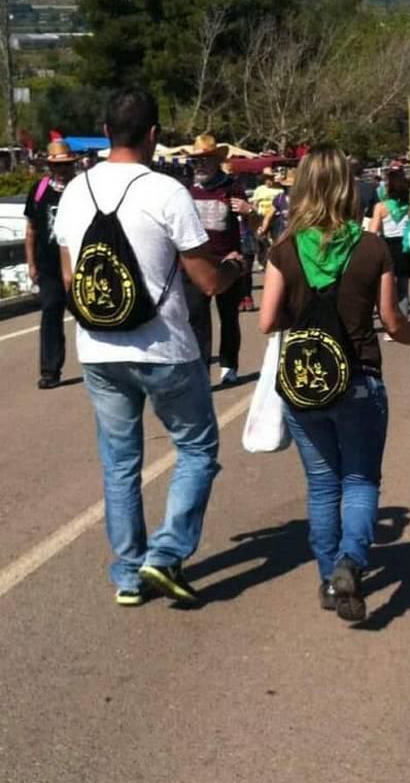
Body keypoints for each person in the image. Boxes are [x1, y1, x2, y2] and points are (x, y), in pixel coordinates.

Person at [54, 87, 247, 607]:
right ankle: (165, 555)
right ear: (154, 135)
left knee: (119, 464)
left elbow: (71, 277)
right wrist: (233, 269)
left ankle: (127, 575)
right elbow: (206, 280)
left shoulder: (74, 191)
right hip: (163, 346)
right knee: (198, 449)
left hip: (98, 348)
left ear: (105, 127)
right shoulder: (165, 191)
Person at [260, 145, 410, 622]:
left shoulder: (284, 250)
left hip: (306, 384)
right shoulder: (372, 248)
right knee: (359, 479)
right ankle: (351, 561)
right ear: (348, 189)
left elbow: (267, 322)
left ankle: (329, 576)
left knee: (322, 485)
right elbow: (392, 322)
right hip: (359, 379)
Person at [185, 134, 257, 385]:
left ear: (217, 160)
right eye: (196, 161)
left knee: (229, 317)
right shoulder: (186, 188)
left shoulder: (232, 187)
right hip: (197, 262)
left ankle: (229, 365)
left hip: (228, 261)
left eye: (205, 160)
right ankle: (201, 371)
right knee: (197, 319)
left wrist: (250, 212)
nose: (200, 165)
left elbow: (252, 225)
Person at [24, 139, 77, 389]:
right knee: (51, 314)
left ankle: (106, 365)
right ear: (49, 167)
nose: (62, 170)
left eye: (66, 165)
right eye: (57, 166)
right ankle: (50, 370)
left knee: (89, 315)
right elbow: (31, 230)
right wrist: (31, 264)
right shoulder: (40, 190)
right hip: (49, 267)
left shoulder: (82, 189)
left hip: (80, 264)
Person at [368, 167, 410, 323]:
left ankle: (390, 323)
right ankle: (403, 322)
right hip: (405, 247)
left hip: (387, 246)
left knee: (387, 289)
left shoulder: (381, 207)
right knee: (403, 288)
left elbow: (373, 231)